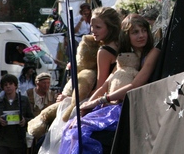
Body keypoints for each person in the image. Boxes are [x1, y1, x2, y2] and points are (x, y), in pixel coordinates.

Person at [62, 14, 160, 154]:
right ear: (126, 35)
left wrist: (101, 100)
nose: (141, 35)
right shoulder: (124, 56)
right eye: (135, 32)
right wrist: (84, 109)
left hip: (129, 108)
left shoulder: (153, 52)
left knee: (88, 135)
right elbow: (105, 85)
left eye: (144, 30)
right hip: (110, 105)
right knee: (74, 129)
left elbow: (135, 85)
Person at [0, 74, 34, 154]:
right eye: (5, 85)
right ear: (2, 88)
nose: (8, 86)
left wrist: (24, 121)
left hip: (19, 141)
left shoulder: (24, 100)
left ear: (15, 85)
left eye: (10, 84)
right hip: (2, 141)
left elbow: (32, 119)